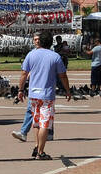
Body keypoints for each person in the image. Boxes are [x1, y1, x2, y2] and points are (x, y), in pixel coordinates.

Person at [21, 30, 71, 158]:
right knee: (44, 123)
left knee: (36, 122)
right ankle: (41, 152)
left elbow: (23, 74)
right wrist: (67, 90)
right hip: (47, 95)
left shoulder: (31, 55)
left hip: (33, 94)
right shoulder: (55, 56)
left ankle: (37, 146)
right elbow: (63, 75)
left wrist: (20, 90)